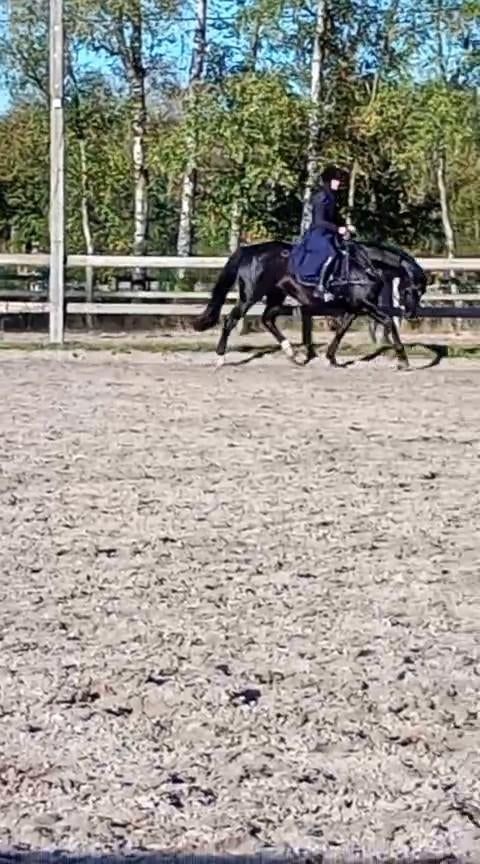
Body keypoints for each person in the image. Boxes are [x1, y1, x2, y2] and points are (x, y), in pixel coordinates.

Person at [289, 164, 348, 300]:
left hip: (328, 234)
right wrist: (337, 229)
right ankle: (321, 287)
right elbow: (319, 221)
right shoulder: (321, 197)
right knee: (331, 254)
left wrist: (346, 226)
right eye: (337, 180)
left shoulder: (331, 197)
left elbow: (335, 218)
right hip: (318, 234)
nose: (339, 184)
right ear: (329, 180)